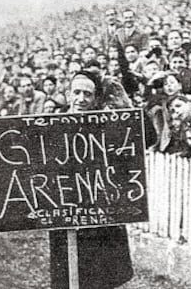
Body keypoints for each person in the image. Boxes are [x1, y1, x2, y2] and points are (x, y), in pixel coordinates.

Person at [49, 70, 134, 289]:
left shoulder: (104, 124)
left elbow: (144, 138)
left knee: (100, 279)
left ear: (95, 98)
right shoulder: (49, 124)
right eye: (76, 92)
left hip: (101, 214)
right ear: (68, 95)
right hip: (65, 213)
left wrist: (125, 104)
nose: (81, 99)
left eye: (87, 94)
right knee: (67, 279)